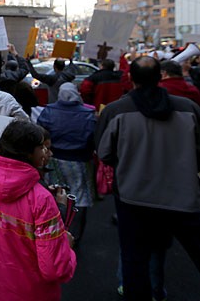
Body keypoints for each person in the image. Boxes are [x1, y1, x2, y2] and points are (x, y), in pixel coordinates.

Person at [95, 55, 200, 301]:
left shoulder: (115, 111)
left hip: (134, 198)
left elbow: (104, 153)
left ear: (130, 78)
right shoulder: (189, 109)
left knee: (134, 260)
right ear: (160, 77)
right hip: (183, 196)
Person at [0, 120, 76, 301]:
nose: (46, 152)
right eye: (41, 147)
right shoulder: (41, 199)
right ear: (27, 153)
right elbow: (54, 268)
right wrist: (67, 246)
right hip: (32, 292)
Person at [37, 82, 97, 244]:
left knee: (55, 193)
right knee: (80, 195)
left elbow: (40, 134)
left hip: (54, 158)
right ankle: (75, 235)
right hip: (80, 160)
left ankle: (55, 230)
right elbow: (94, 139)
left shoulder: (49, 110)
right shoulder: (89, 113)